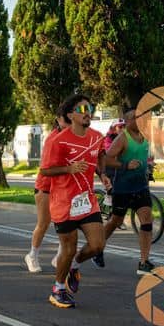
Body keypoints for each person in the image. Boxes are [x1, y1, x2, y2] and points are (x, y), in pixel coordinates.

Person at [39, 94, 106, 309]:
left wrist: (103, 173)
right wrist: (69, 169)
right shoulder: (58, 140)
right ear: (70, 115)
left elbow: (100, 154)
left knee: (97, 245)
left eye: (90, 108)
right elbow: (45, 170)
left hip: (87, 201)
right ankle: (57, 289)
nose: (88, 113)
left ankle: (74, 265)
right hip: (64, 202)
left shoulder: (96, 137)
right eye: (82, 109)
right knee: (68, 249)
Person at [97, 108, 157, 275]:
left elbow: (143, 155)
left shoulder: (145, 136)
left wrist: (148, 166)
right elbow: (107, 159)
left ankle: (144, 262)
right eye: (136, 118)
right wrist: (125, 165)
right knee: (115, 221)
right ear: (128, 121)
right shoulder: (122, 138)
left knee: (147, 219)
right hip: (123, 188)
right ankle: (97, 247)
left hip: (141, 187)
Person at [24, 108, 67, 273]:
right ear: (58, 119)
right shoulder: (53, 138)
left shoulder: (74, 136)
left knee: (66, 223)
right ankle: (32, 255)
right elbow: (46, 167)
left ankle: (60, 256)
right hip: (46, 186)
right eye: (65, 119)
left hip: (64, 187)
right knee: (44, 223)